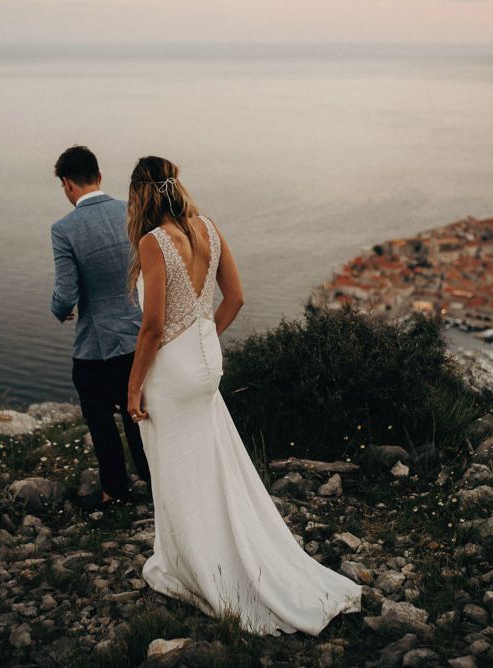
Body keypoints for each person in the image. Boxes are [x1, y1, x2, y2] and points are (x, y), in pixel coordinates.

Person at [125, 155, 362, 636]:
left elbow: (151, 328)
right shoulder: (207, 229)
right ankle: (226, 547)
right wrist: (203, 334)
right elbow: (234, 298)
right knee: (211, 460)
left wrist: (132, 388)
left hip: (172, 371)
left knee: (176, 468)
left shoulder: (154, 242)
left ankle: (194, 565)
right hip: (207, 363)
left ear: (140, 196)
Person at [50, 145, 151, 512]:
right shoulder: (132, 212)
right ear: (99, 177)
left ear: (67, 185)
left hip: (95, 346)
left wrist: (58, 309)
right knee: (138, 413)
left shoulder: (64, 230)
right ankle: (155, 482)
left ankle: (114, 490)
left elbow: (65, 294)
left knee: (100, 419)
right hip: (139, 336)